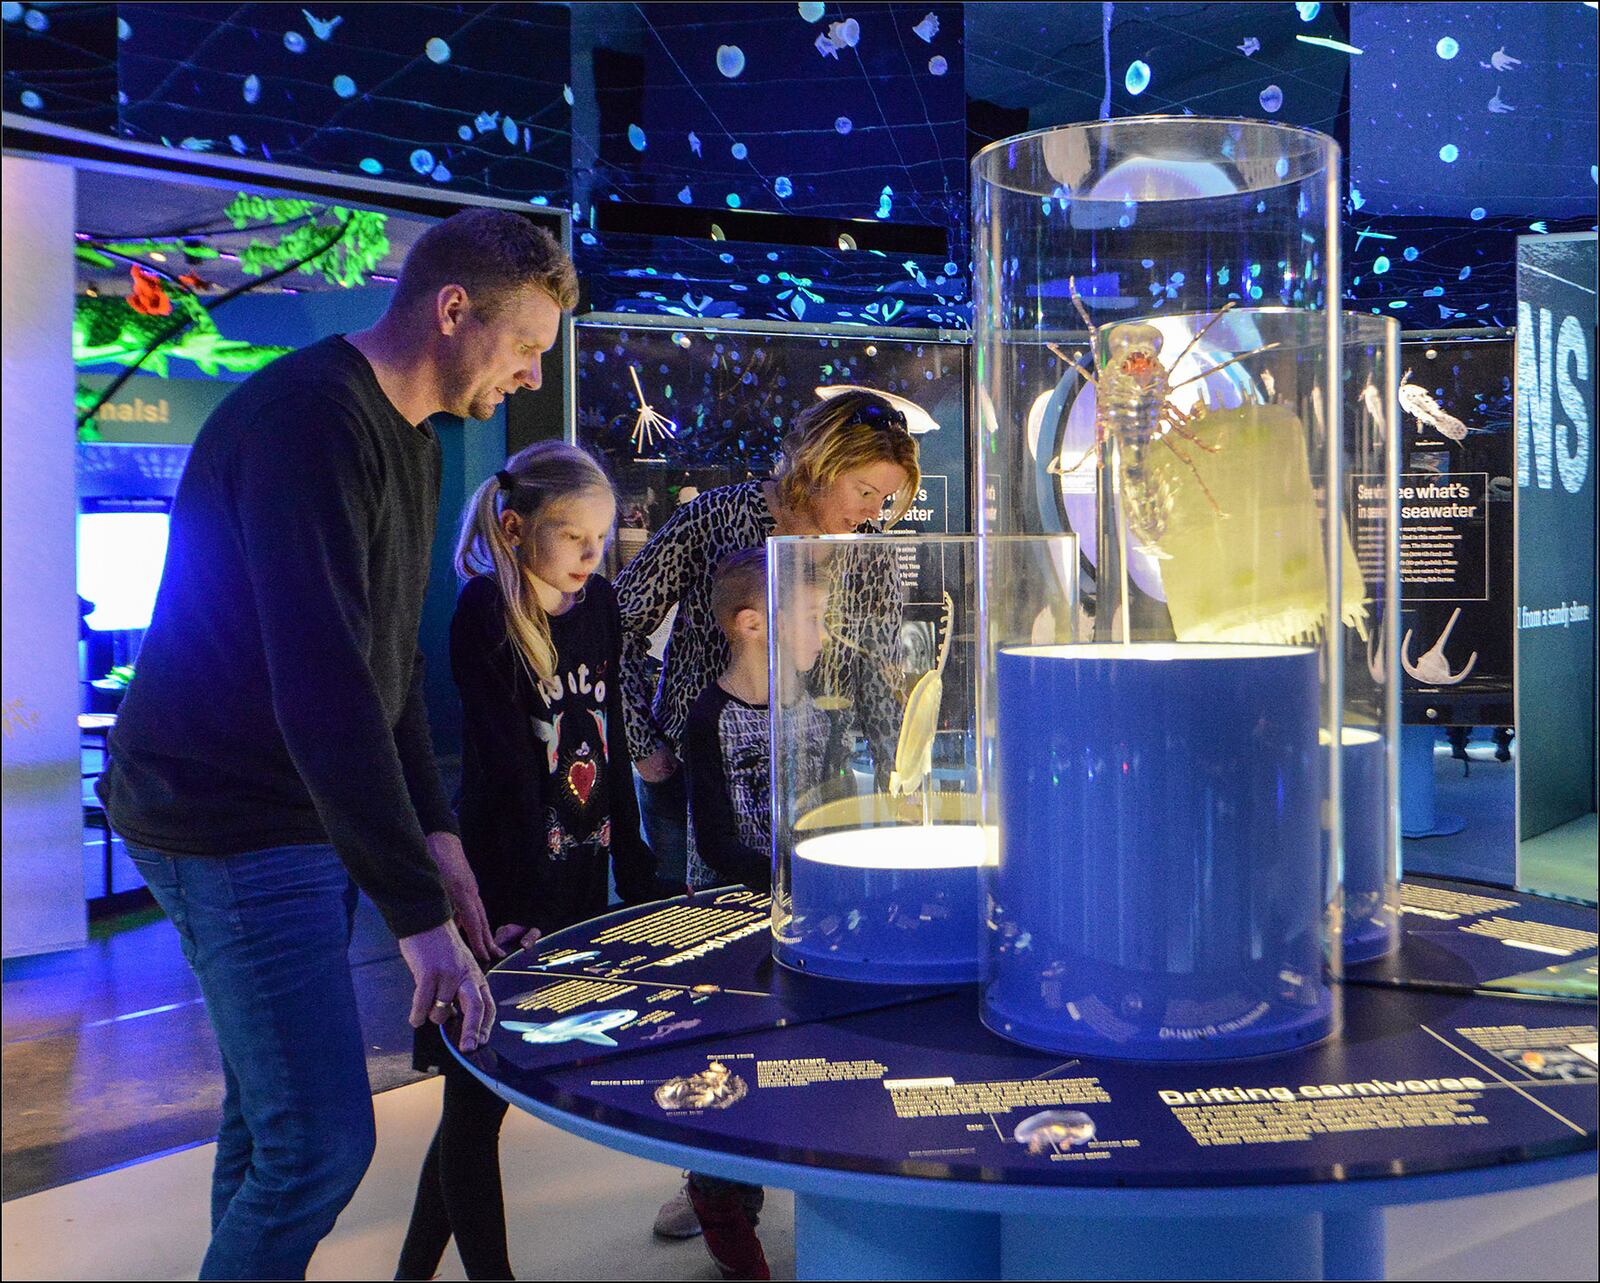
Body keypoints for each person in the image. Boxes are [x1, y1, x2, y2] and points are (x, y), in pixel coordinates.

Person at [97, 208, 577, 1281]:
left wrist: (438, 842)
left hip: (294, 808)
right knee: (320, 1141)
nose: (532, 379)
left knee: (271, 1126)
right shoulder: (309, 422)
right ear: (453, 312)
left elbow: (386, 671)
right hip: (224, 816)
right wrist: (418, 921)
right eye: (526, 348)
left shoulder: (406, 437)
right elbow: (321, 688)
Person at [397, 441, 657, 1281]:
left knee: (474, 1102)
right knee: (476, 1101)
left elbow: (609, 741)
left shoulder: (603, 606)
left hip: (576, 876)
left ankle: (411, 1274)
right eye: (574, 535)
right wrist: (525, 900)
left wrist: (639, 863)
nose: (592, 553)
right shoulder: (482, 613)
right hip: (504, 886)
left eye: (601, 536)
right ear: (516, 529)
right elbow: (505, 773)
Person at [616, 390, 921, 889]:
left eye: (885, 500)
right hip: (693, 782)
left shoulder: (871, 556)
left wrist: (901, 781)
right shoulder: (713, 519)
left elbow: (879, 679)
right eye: (865, 491)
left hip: (818, 796)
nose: (873, 512)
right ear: (821, 464)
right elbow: (616, 625)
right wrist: (645, 749)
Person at [658, 549, 828, 1281]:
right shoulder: (708, 716)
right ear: (754, 624)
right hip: (729, 925)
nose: (825, 630)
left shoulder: (814, 707)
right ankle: (721, 1202)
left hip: (803, 919)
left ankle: (737, 1193)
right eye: (814, 615)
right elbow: (719, 840)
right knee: (729, 1062)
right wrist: (798, 870)